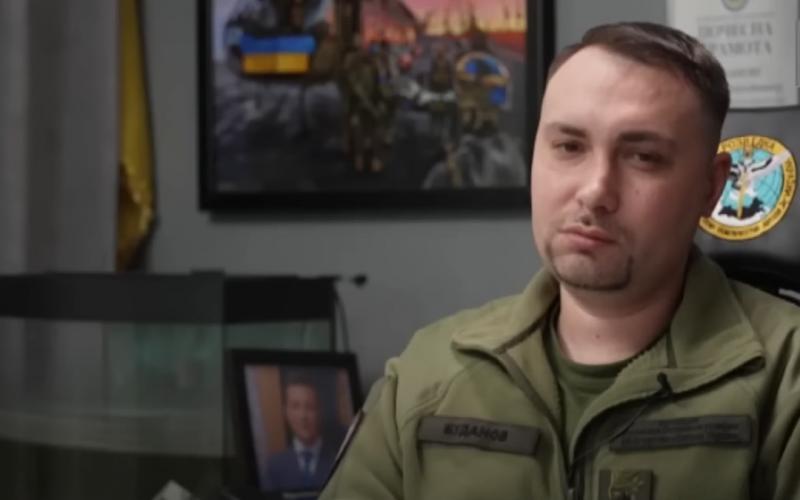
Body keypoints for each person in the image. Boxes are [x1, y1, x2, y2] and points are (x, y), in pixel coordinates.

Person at [320, 22, 800, 500]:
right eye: (569, 147)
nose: (594, 191)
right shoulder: (426, 376)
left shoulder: (786, 378)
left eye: (643, 157)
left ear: (711, 187)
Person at [263, 375, 338, 491]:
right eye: (295, 406)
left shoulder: (339, 460)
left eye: (310, 407)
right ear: (286, 412)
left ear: (320, 411)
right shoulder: (274, 466)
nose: (303, 416)